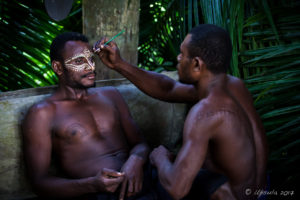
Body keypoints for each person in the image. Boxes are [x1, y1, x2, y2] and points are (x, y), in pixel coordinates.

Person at [94, 24, 268, 200]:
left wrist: (160, 157)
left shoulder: (204, 113)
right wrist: (119, 64)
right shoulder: (235, 86)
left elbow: (176, 189)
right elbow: (168, 88)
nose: (178, 58)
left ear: (197, 64)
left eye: (182, 54)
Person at [21, 32, 153, 200]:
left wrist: (136, 160)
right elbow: (39, 183)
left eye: (91, 59)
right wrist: (92, 184)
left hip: (141, 177)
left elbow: (140, 144)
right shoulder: (43, 113)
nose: (90, 67)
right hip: (100, 194)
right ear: (58, 67)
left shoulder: (111, 95)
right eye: (79, 61)